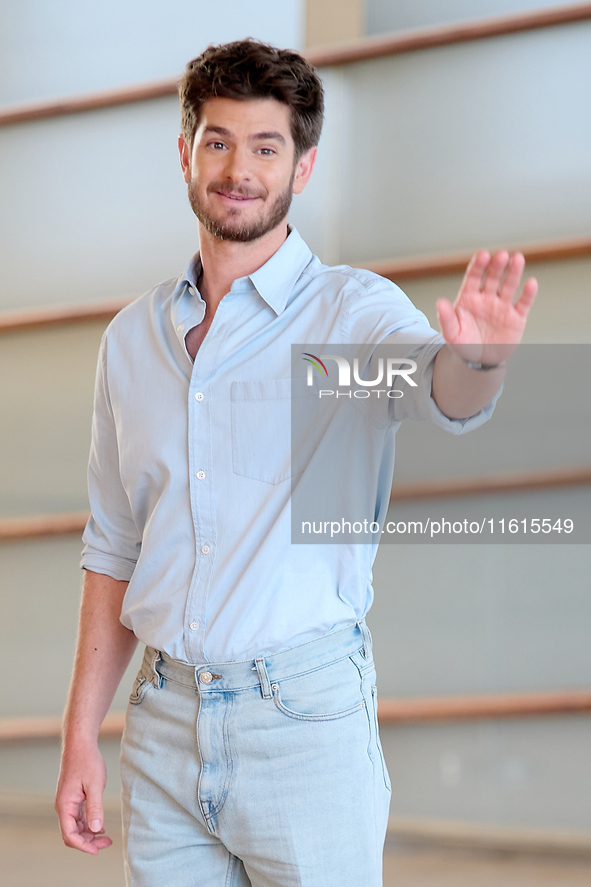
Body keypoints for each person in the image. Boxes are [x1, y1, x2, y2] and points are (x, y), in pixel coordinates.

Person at [55, 39, 537, 887]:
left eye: (266, 147)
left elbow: (439, 391)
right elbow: (113, 550)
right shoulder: (129, 342)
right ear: (185, 152)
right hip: (161, 726)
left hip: (302, 723)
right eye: (218, 141)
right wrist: (78, 735)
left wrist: (480, 363)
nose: (239, 168)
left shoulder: (348, 315)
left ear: (302, 169)